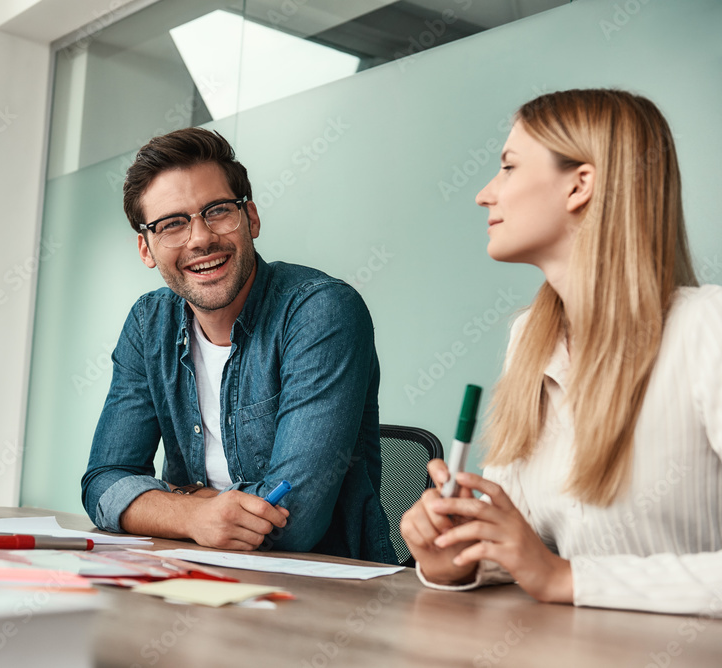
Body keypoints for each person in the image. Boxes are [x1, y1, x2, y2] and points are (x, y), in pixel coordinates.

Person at [400, 89, 722, 614]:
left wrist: (567, 578)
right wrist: (459, 555)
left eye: (508, 168)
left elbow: (553, 573)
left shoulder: (707, 326)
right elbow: (524, 544)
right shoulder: (532, 339)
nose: (484, 194)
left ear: (580, 185)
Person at [81, 128, 395, 563]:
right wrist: (194, 516)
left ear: (251, 218)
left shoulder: (321, 312)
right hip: (194, 577)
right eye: (171, 224)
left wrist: (169, 502)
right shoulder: (148, 323)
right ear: (146, 248)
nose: (199, 238)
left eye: (217, 211)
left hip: (320, 595)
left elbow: (294, 521)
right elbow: (102, 482)